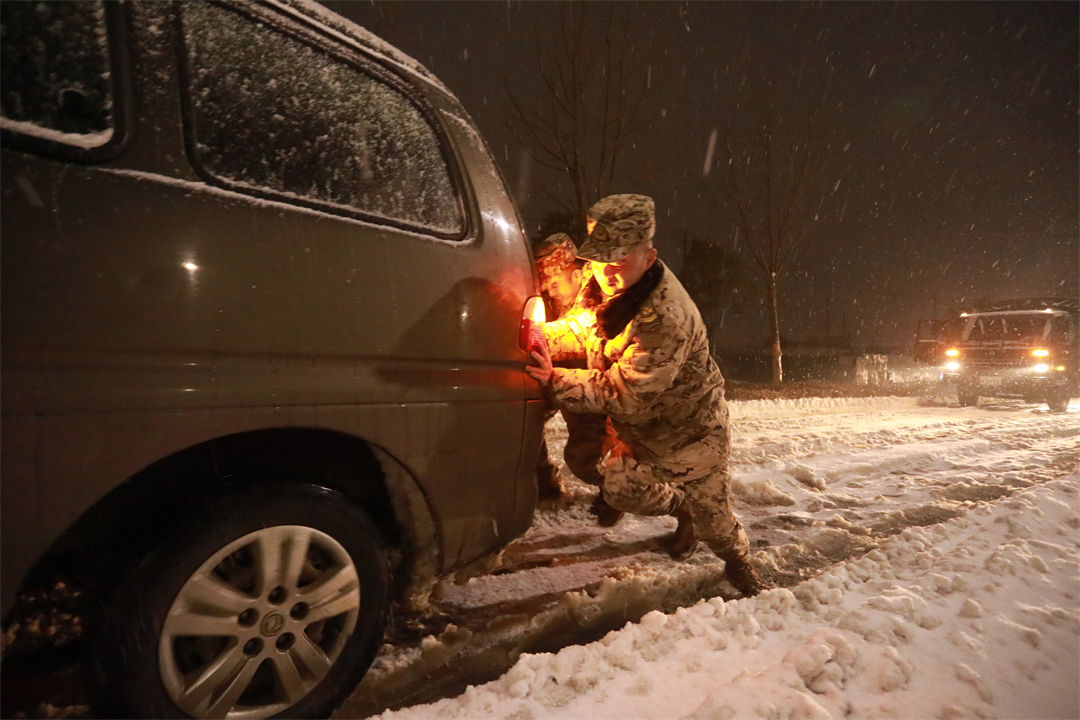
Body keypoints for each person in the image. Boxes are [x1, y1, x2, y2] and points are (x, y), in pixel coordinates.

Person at [525, 194, 766, 597]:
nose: (606, 272)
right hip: (638, 433)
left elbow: (625, 393)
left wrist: (554, 379)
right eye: (599, 261)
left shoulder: (665, 318)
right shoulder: (612, 287)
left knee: (715, 526)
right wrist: (540, 337)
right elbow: (587, 329)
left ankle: (738, 564)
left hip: (689, 435)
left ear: (648, 256)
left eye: (619, 261)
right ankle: (681, 507)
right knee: (620, 490)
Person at [532, 233, 611, 509]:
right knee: (526, 417)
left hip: (601, 393)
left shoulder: (600, 291)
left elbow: (579, 330)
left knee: (584, 460)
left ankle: (622, 493)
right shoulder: (561, 297)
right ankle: (545, 484)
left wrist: (532, 334)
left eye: (555, 284)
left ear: (577, 276)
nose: (551, 292)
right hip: (565, 381)